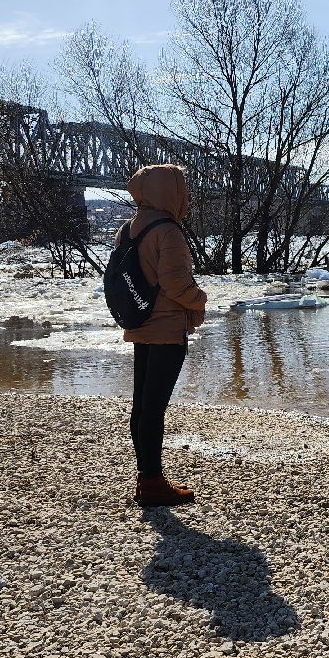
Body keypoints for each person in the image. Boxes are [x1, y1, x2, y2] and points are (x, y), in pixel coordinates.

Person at [123, 164, 207, 507]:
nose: (185, 195)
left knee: (142, 405)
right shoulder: (168, 231)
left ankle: (146, 478)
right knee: (154, 408)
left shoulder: (130, 227)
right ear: (169, 191)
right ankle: (154, 483)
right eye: (181, 187)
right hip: (166, 329)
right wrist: (200, 300)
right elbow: (176, 284)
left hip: (140, 322)